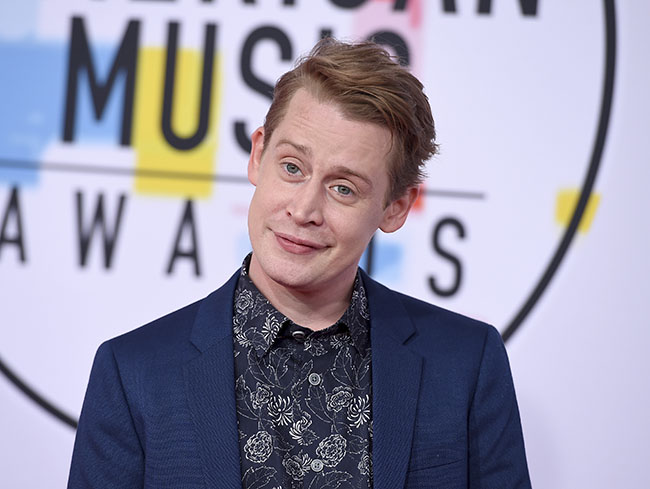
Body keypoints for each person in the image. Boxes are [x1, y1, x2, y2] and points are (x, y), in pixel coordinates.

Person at [68, 38, 531, 489]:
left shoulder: (466, 365)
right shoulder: (134, 374)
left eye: (343, 188)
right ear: (258, 154)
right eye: (292, 167)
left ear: (395, 207)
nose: (304, 209)